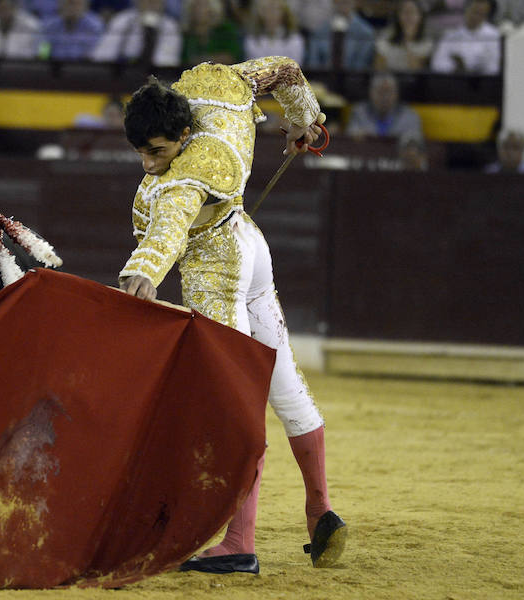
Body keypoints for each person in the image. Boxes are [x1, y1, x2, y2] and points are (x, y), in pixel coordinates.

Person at [117, 58, 346, 574]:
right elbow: (285, 69)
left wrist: (145, 271)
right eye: (140, 153)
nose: (150, 164)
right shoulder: (216, 81)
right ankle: (320, 509)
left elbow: (170, 225)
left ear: (183, 131)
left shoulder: (188, 172)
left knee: (236, 402)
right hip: (250, 244)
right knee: (284, 383)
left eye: (157, 151)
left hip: (215, 266)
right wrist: (304, 121)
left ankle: (240, 541)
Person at [90, 0, 183, 67]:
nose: (150, 3)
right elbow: (103, 55)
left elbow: (166, 62)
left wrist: (150, 30)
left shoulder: (170, 26)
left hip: (155, 80)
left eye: (155, 1)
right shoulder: (122, 20)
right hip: (122, 74)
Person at [345, 72, 424, 141]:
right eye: (380, 92)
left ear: (396, 94)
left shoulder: (410, 116)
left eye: (388, 92)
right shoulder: (359, 113)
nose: (385, 97)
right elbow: (351, 134)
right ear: (371, 93)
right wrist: (355, 134)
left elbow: (415, 142)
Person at [430, 0, 501, 74]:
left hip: (481, 82)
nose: (475, 17)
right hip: (453, 80)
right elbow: (436, 64)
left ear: (487, 15)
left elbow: (494, 68)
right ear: (466, 9)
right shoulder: (451, 33)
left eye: (481, 14)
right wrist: (456, 67)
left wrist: (471, 68)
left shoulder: (494, 36)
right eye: (474, 11)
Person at [306, 0, 375, 71]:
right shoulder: (319, 31)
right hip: (322, 79)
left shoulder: (365, 33)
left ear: (356, 2)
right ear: (333, 2)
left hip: (354, 79)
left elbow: (361, 66)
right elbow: (313, 65)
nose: (343, 2)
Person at [374, 0, 434, 72]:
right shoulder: (385, 38)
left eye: (412, 12)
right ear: (397, 16)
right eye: (404, 12)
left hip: (414, 81)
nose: (408, 16)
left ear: (420, 16)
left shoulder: (427, 42)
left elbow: (417, 71)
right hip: (389, 79)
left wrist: (406, 41)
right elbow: (378, 69)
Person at [180, 0, 244, 66]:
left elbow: (231, 57)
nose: (199, 10)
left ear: (212, 8)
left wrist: (201, 60)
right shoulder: (187, 35)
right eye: (195, 6)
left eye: (203, 6)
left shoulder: (225, 29)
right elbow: (184, 61)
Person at [244, 0, 305, 64]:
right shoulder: (251, 40)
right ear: (260, 13)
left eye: (276, 9)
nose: (271, 14)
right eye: (266, 9)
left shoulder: (295, 40)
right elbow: (252, 69)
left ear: (284, 12)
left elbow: (294, 67)